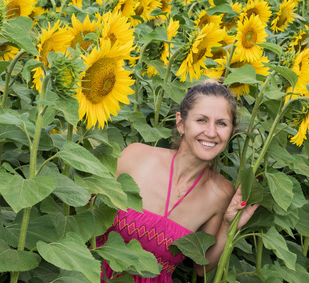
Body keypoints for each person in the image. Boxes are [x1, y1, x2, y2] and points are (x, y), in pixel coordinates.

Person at [96, 80, 259, 282]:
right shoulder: (135, 157)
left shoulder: (221, 193)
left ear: (231, 132)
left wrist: (228, 225)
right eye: (201, 120)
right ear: (181, 123)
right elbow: (88, 214)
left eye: (221, 123)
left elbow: (202, 267)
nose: (211, 132)